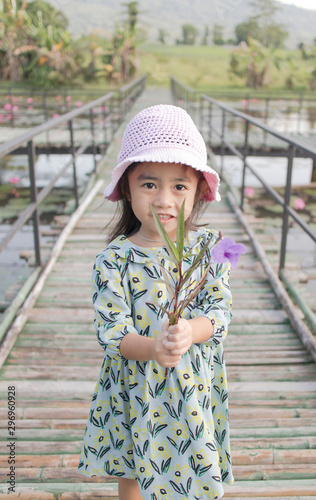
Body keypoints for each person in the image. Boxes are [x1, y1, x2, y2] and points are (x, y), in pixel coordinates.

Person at [78, 104, 234, 500]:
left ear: (199, 190)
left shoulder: (209, 248)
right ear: (127, 189)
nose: (164, 200)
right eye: (149, 185)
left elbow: (220, 311)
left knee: (194, 464)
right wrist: (153, 348)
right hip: (133, 386)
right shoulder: (114, 259)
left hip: (191, 383)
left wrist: (188, 333)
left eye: (179, 186)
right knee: (133, 467)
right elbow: (112, 331)